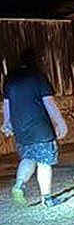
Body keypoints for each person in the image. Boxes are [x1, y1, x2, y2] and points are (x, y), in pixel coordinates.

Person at [1, 49, 68, 207]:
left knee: (28, 157)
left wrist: (7, 122)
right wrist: (60, 122)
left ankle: (19, 185)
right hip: (40, 126)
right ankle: (47, 198)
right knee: (44, 162)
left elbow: (7, 104)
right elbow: (49, 103)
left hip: (21, 128)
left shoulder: (11, 79)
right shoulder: (38, 77)